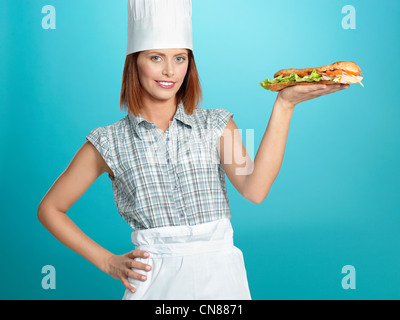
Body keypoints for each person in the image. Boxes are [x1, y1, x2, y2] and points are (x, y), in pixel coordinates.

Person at [37, 0, 349, 300]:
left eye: (180, 58)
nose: (169, 71)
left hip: (223, 281)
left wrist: (284, 104)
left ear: (190, 63)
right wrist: (107, 261)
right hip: (155, 283)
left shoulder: (215, 125)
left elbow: (256, 190)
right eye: (155, 57)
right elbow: (50, 209)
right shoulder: (109, 142)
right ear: (135, 62)